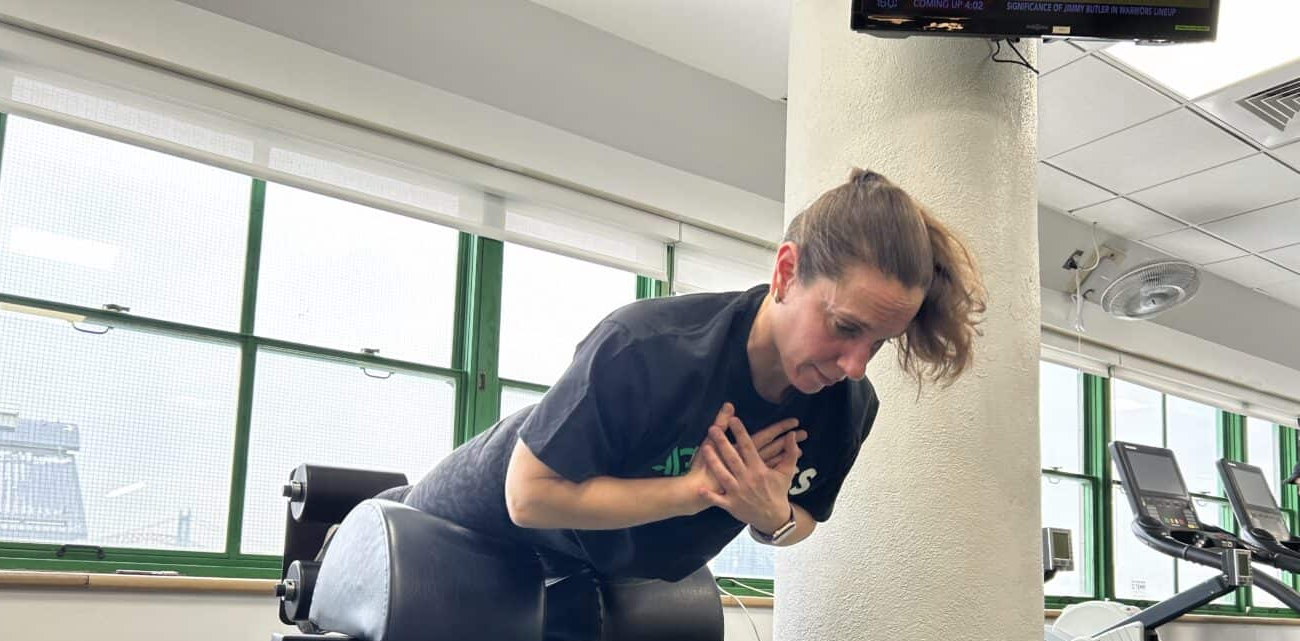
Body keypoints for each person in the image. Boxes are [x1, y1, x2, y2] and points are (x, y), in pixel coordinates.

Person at [380, 168, 985, 582]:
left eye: (880, 342)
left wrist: (767, 513)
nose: (855, 365)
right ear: (786, 272)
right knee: (378, 529)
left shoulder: (848, 406)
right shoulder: (643, 346)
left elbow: (800, 518)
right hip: (471, 512)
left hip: (596, 561)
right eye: (845, 327)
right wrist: (695, 491)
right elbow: (528, 496)